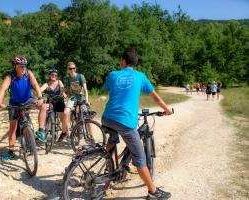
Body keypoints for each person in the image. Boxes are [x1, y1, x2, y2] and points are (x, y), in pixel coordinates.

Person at [101, 48, 173, 199]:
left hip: (107, 118)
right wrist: (167, 110)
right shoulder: (140, 76)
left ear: (123, 60)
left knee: (112, 139)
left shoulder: (113, 74)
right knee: (140, 158)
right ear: (135, 62)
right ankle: (153, 192)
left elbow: (108, 89)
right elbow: (156, 98)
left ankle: (106, 171)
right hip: (125, 122)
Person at [0, 56, 45, 161]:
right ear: (15, 66)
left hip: (28, 100)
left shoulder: (28, 74)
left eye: (24, 66)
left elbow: (36, 85)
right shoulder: (10, 76)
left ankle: (41, 130)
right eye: (21, 66)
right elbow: (3, 89)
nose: (23, 68)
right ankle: (10, 152)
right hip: (14, 103)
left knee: (44, 106)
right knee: (13, 128)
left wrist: (40, 97)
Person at [57, 61, 90, 143]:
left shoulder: (80, 76)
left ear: (75, 68)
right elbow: (64, 89)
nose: (72, 70)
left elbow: (85, 90)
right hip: (72, 98)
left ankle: (89, 136)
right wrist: (63, 93)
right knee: (65, 113)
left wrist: (87, 100)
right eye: (70, 68)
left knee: (85, 115)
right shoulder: (67, 79)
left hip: (81, 98)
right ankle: (66, 133)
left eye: (73, 68)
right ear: (68, 70)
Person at [39, 67, 67, 135]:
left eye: (55, 75)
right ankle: (41, 129)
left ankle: (65, 133)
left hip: (59, 102)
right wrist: (40, 96)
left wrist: (63, 93)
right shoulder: (47, 84)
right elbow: (39, 90)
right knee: (43, 111)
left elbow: (62, 88)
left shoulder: (59, 82)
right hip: (50, 102)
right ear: (49, 75)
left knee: (62, 118)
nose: (54, 76)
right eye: (52, 75)